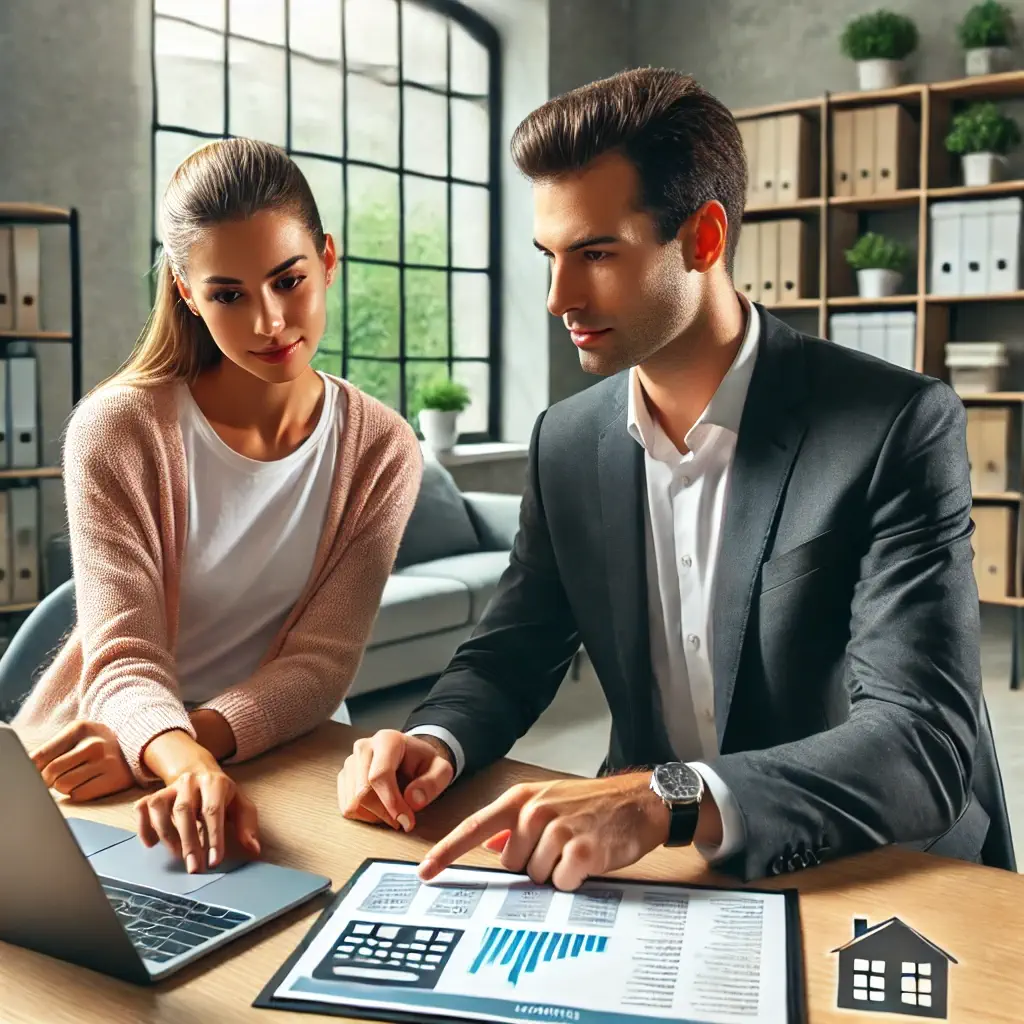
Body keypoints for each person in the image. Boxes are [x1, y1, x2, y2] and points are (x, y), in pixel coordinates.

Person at [338, 67, 987, 889]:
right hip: (649, 868)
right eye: (549, 256)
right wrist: (433, 742)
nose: (558, 297)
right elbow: (516, 647)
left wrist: (664, 796)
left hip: (863, 863)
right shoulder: (566, 441)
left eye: (597, 254)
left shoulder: (895, 426)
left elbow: (919, 744)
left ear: (705, 239)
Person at [15, 137, 422, 875]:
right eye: (228, 294)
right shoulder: (116, 432)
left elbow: (319, 666)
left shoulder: (383, 449)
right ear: (184, 290)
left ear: (327, 260)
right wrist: (172, 758)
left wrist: (186, 748)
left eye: (289, 280)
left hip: (277, 750)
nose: (269, 321)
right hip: (106, 756)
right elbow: (125, 655)